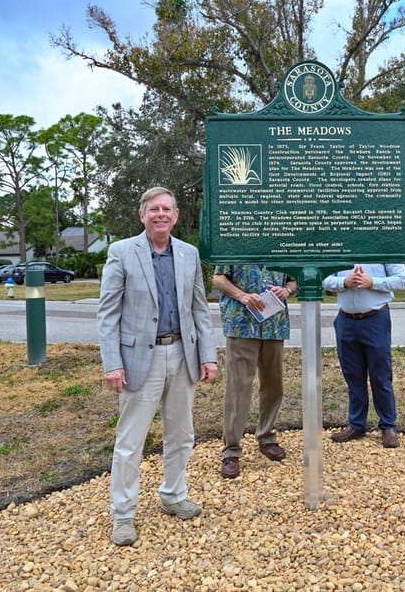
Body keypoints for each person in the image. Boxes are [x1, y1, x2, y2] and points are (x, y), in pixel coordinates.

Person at [97, 187, 219, 546]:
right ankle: (123, 514)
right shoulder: (121, 252)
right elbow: (108, 313)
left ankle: (174, 495)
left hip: (183, 355)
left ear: (176, 215)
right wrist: (112, 363)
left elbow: (199, 309)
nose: (160, 214)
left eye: (167, 209)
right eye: (154, 209)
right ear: (142, 214)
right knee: (130, 441)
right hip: (139, 361)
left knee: (181, 434)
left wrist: (208, 355)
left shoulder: (188, 254)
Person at [213, 265, 297, 479]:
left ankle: (267, 437)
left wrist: (286, 291)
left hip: (274, 325)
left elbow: (295, 278)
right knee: (238, 388)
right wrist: (241, 296)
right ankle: (231, 450)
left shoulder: (282, 242)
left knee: (273, 386)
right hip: (241, 325)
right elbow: (218, 278)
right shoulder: (236, 241)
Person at [323, 264, 405, 448]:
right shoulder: (340, 244)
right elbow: (324, 278)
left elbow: (401, 280)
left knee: (381, 375)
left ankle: (388, 425)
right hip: (346, 320)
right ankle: (356, 424)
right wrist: (344, 282)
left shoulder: (384, 242)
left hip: (375, 318)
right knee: (353, 376)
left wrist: (372, 282)